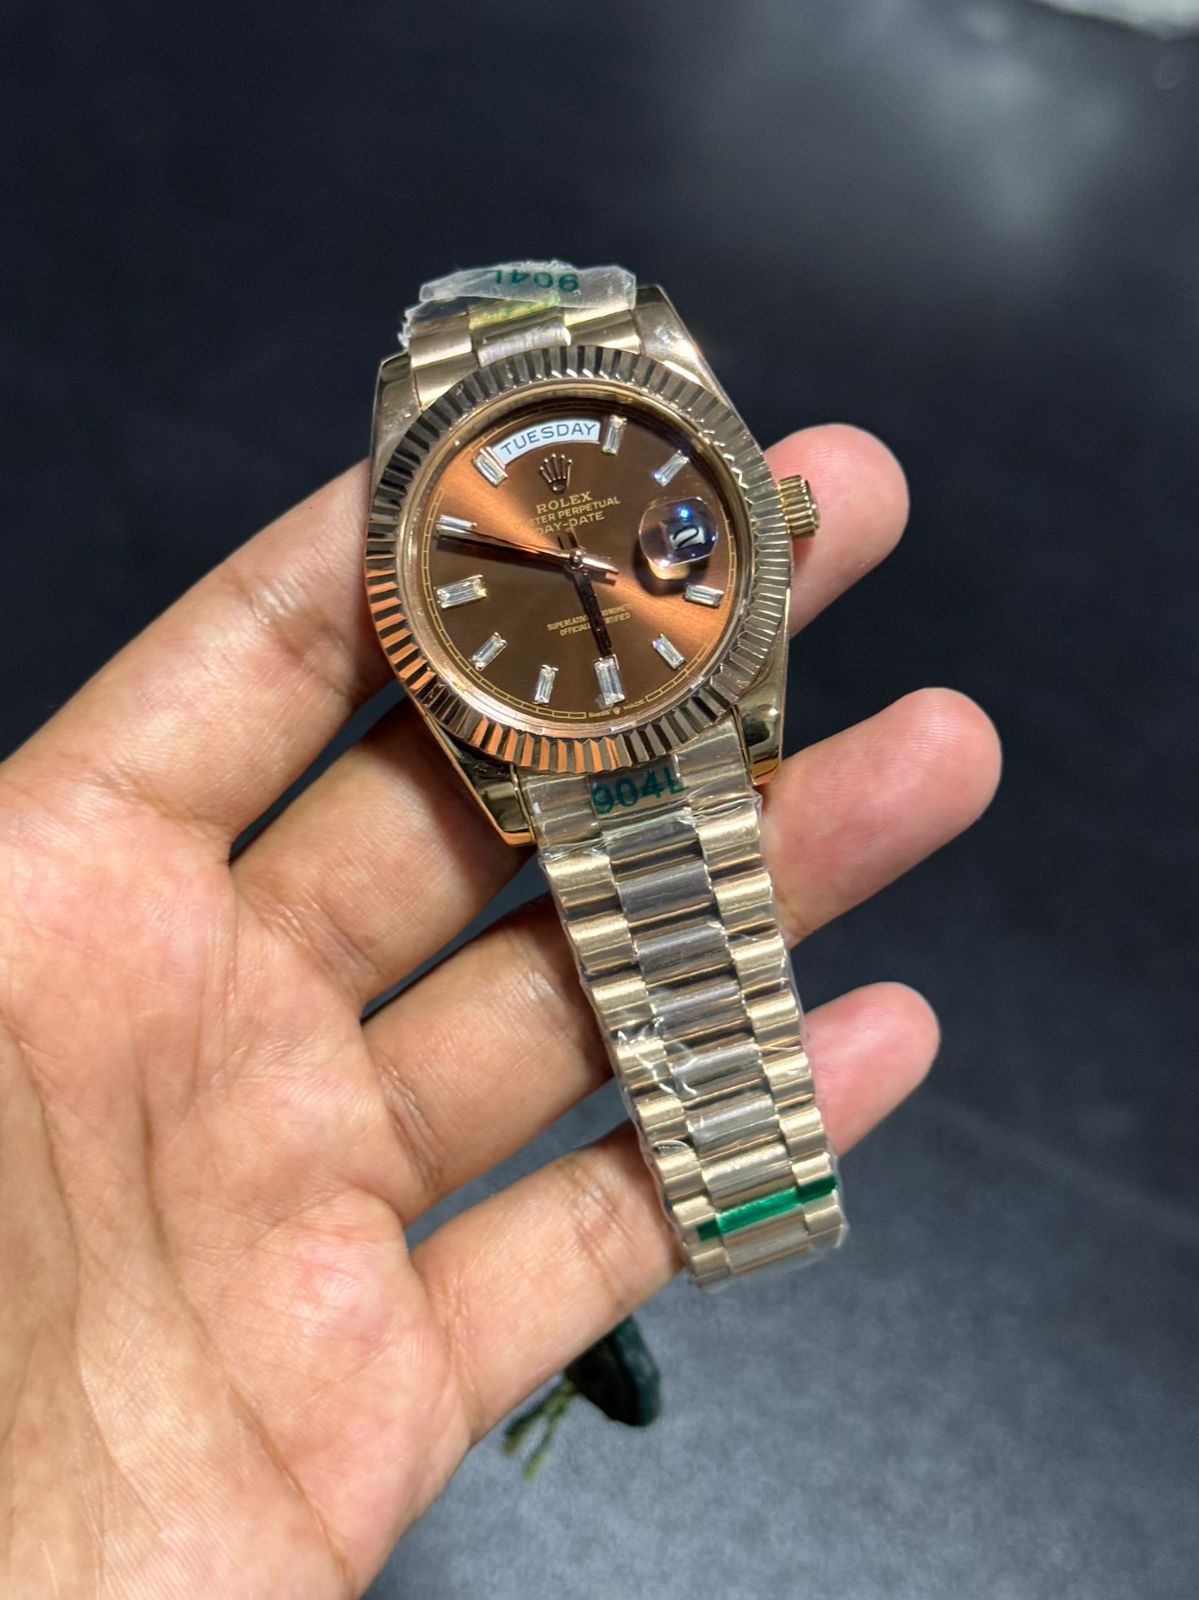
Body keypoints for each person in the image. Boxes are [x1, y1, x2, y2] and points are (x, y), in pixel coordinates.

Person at [0, 423, 1000, 1597]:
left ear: (760, 521)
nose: (578, 567)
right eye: (550, 559)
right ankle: (748, 1183)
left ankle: (751, 1182)